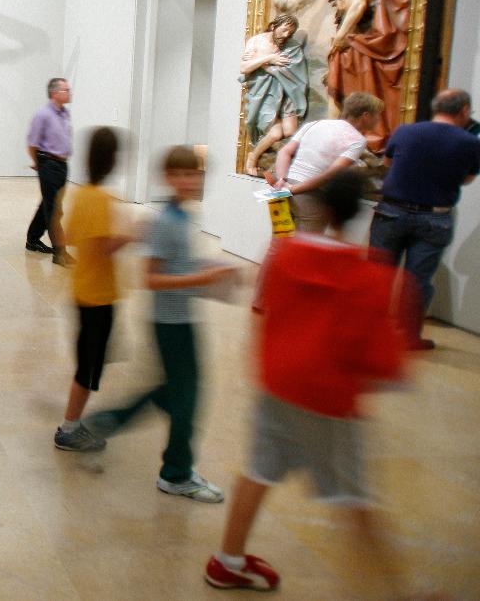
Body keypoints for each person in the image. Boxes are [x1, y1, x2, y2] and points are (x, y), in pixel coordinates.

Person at [204, 170, 414, 593]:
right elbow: (381, 361)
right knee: (353, 495)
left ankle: (227, 559)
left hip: (278, 383)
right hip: (329, 398)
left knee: (258, 470)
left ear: (321, 207)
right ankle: (397, 592)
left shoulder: (285, 255)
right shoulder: (370, 277)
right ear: (359, 213)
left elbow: (265, 312)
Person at [83, 146, 236, 503]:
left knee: (175, 391)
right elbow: (150, 279)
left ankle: (111, 420)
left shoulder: (182, 216)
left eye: (193, 174)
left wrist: (209, 271)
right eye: (180, 174)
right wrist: (203, 278)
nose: (188, 181)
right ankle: (175, 474)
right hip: (170, 323)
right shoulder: (166, 221)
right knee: (187, 400)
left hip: (182, 319)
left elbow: (178, 266)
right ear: (167, 178)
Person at [370, 89, 480, 350]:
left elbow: (388, 162)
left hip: (391, 210)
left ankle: (369, 331)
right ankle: (409, 337)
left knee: (377, 275)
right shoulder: (470, 143)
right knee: (417, 281)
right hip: (435, 216)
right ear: (464, 110)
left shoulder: (406, 131)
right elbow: (467, 179)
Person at [52, 128, 134, 451]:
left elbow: (69, 235)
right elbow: (101, 248)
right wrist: (129, 235)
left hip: (84, 291)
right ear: (112, 159)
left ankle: (73, 422)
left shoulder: (83, 194)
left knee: (90, 362)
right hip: (97, 297)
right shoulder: (102, 199)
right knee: (87, 368)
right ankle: (68, 428)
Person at [287, 0, 409, 148]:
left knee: (338, 78)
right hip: (361, 38)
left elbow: (358, 3)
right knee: (337, 80)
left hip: (363, 40)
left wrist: (341, 35)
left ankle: (336, 134)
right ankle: (334, 133)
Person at [266, 92, 383, 233]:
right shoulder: (357, 140)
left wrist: (282, 181)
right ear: (366, 115)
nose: (378, 119)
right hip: (307, 194)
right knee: (306, 244)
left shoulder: (315, 124)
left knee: (281, 240)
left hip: (279, 190)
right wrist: (293, 190)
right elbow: (329, 174)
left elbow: (284, 152)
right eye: (377, 115)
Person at [239, 13, 308, 176]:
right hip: (265, 92)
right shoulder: (256, 41)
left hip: (287, 93)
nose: (286, 35)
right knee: (276, 133)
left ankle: (278, 163)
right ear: (273, 26)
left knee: (290, 131)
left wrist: (261, 63)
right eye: (284, 30)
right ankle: (253, 157)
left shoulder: (292, 47)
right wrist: (269, 58)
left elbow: (293, 72)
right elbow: (244, 68)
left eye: (290, 32)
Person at [25, 78, 73, 256]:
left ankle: (32, 239)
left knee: (48, 204)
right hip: (48, 164)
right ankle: (60, 252)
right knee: (54, 210)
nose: (69, 93)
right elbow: (32, 144)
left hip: (62, 165)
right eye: (66, 90)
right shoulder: (43, 115)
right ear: (54, 93)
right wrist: (39, 163)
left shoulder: (65, 113)